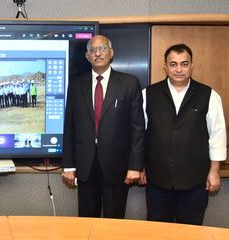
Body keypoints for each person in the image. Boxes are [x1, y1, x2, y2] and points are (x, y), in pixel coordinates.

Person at [140, 44, 226, 225]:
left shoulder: (209, 95)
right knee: (157, 231)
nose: (179, 69)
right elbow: (139, 135)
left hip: (195, 181)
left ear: (191, 66)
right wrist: (139, 166)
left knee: (191, 231)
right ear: (165, 66)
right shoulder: (148, 94)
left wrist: (214, 171)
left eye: (184, 64)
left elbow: (217, 135)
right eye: (173, 64)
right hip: (158, 180)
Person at [62, 35, 145, 218]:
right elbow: (70, 126)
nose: (97, 53)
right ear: (87, 56)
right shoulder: (76, 84)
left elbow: (138, 128)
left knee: (114, 223)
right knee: (87, 222)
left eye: (103, 49)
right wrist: (68, 165)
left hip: (118, 167)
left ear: (111, 53)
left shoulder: (129, 83)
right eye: (92, 50)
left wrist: (135, 166)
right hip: (85, 167)